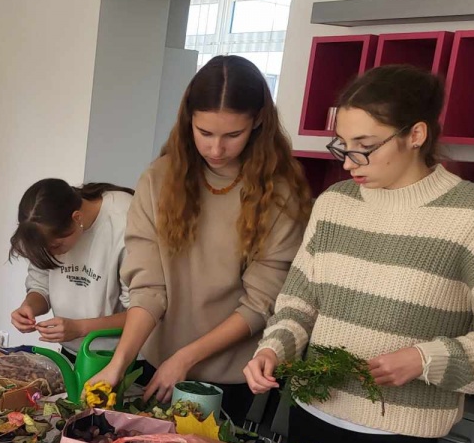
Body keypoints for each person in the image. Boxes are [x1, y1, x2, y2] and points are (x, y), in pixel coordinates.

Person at [245, 64, 474, 443]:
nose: (349, 162)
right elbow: (300, 300)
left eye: (364, 147)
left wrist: (426, 359)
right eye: (342, 146)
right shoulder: (335, 205)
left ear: (416, 134)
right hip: (307, 421)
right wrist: (273, 348)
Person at [87, 56, 311, 422]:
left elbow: (259, 304)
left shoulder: (279, 194)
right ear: (188, 120)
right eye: (204, 133)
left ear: (257, 122)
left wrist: (186, 358)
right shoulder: (159, 179)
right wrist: (119, 362)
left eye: (232, 135)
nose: (216, 149)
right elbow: (148, 287)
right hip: (157, 360)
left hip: (230, 377)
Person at [8, 179, 134, 356]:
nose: (53, 254)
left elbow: (142, 313)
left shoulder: (124, 221)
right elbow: (41, 286)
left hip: (123, 354)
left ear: (77, 218)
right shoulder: (47, 225)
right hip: (73, 350)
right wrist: (29, 306)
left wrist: (80, 327)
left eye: (56, 247)